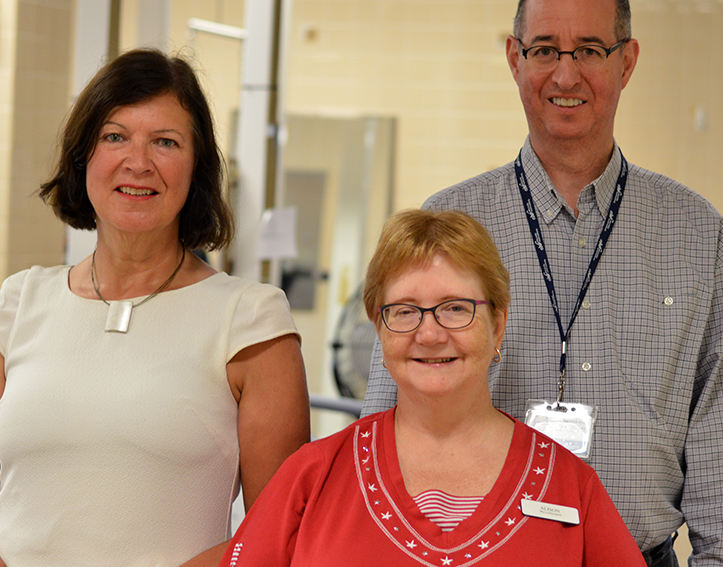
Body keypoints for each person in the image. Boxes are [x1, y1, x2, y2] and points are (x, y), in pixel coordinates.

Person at [362, 0, 723, 566]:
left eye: (591, 50)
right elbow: (384, 423)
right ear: (514, 59)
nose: (566, 75)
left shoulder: (695, 234)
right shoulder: (449, 227)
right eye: (545, 49)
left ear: (626, 61)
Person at [0, 48, 310, 567]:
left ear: (197, 167)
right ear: (85, 157)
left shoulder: (250, 320)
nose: (138, 162)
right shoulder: (18, 304)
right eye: (115, 136)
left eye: (166, 142)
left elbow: (279, 531)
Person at [218, 209, 645, 566]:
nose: (429, 334)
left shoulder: (571, 488)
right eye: (404, 311)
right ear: (378, 329)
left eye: (455, 308)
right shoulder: (312, 478)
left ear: (498, 324)